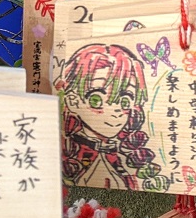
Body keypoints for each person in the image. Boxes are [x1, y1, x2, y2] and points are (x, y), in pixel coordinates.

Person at [57, 43, 168, 192]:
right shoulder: (67, 156)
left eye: (125, 101)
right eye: (96, 100)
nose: (115, 110)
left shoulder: (125, 160)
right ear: (73, 101)